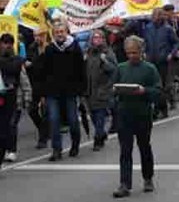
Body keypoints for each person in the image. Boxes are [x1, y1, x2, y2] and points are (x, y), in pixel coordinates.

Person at [112, 36, 161, 198]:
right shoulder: (121, 68)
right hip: (124, 114)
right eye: (129, 53)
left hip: (142, 114)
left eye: (134, 52)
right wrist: (115, 94)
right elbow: (112, 89)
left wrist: (144, 91)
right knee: (125, 150)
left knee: (144, 147)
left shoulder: (149, 69)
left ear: (141, 51)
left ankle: (148, 178)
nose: (132, 56)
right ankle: (124, 184)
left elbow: (158, 92)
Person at [42, 22, 85, 161]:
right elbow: (44, 72)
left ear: (67, 32)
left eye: (62, 31)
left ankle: (75, 144)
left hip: (70, 91)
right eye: (57, 32)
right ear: (53, 34)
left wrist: (81, 90)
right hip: (53, 91)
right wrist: (44, 92)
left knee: (73, 120)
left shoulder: (75, 48)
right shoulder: (49, 49)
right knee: (54, 120)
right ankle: (56, 149)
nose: (59, 34)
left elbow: (81, 70)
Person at [0, 33, 31, 166]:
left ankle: (10, 150)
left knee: (8, 127)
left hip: (12, 97)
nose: (6, 46)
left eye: (9, 43)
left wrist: (27, 97)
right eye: (4, 43)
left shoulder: (17, 60)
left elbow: (23, 79)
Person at [143, 8, 178, 119]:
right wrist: (144, 52)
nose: (157, 18)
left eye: (159, 15)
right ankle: (159, 108)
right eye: (155, 15)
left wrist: (171, 54)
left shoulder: (167, 29)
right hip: (150, 60)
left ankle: (160, 109)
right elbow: (145, 42)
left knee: (161, 86)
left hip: (163, 61)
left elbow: (176, 43)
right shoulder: (148, 28)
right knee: (152, 86)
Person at [85, 30, 117, 152]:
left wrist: (105, 62)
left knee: (100, 116)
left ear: (103, 39)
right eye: (94, 38)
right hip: (90, 91)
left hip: (102, 89)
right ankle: (102, 133)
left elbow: (114, 70)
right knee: (93, 115)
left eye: (99, 37)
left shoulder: (107, 53)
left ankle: (98, 139)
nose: (97, 40)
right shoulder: (88, 53)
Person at [25, 27, 50, 149]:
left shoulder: (50, 49)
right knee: (32, 110)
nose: (37, 38)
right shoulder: (32, 48)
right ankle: (43, 130)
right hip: (34, 83)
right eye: (35, 36)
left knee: (46, 111)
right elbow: (29, 62)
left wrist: (33, 63)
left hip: (47, 84)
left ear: (44, 35)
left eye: (39, 35)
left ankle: (43, 138)